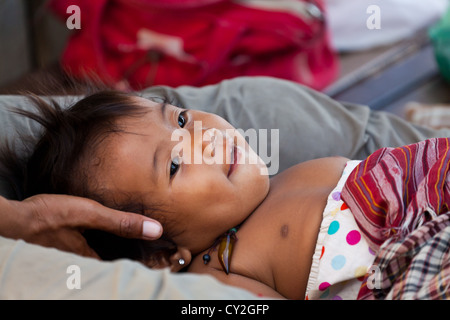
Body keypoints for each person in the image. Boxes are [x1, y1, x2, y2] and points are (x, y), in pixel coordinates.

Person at [1, 76, 449, 299]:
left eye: (178, 118)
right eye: (175, 165)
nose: (202, 136)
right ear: (159, 256)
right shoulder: (218, 276)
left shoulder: (281, 176)